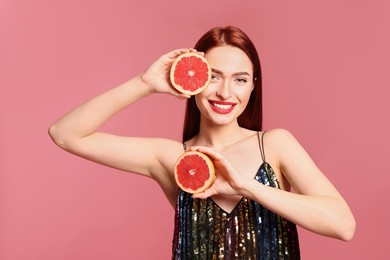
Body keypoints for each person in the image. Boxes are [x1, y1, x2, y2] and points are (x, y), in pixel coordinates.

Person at [48, 26, 356, 259]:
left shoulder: (275, 146)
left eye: (240, 79)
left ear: (253, 87)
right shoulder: (173, 158)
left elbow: (343, 226)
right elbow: (66, 134)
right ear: (194, 81)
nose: (225, 92)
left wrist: (246, 186)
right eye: (213, 76)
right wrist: (143, 83)